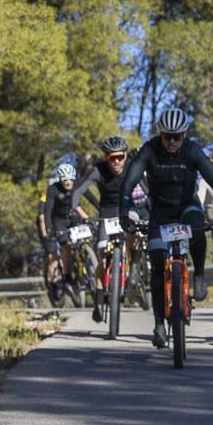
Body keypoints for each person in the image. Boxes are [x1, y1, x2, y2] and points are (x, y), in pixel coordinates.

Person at [120, 107, 213, 348]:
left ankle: (199, 273)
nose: (171, 142)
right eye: (167, 136)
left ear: (184, 135)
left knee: (198, 226)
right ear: (160, 134)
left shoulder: (192, 150)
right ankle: (159, 324)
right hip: (159, 212)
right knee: (158, 266)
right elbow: (128, 183)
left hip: (186, 206)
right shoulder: (150, 150)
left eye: (177, 136)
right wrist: (124, 212)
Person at [72, 136, 132, 323]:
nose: (116, 162)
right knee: (101, 255)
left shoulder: (131, 166)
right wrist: (84, 216)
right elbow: (76, 193)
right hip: (106, 213)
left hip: (126, 210)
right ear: (106, 157)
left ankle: (134, 270)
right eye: (111, 158)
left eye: (120, 157)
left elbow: (147, 190)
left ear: (125, 156)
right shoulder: (98, 170)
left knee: (134, 237)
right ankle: (98, 302)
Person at [42, 161, 87, 286]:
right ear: (60, 180)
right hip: (59, 221)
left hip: (74, 217)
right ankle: (67, 275)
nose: (68, 183)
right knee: (66, 246)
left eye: (70, 180)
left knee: (88, 238)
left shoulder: (77, 184)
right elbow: (48, 209)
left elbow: (88, 197)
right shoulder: (53, 189)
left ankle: (87, 262)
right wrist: (48, 227)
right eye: (65, 180)